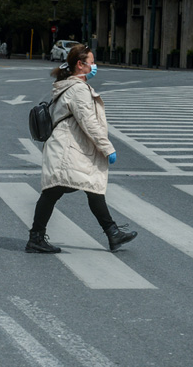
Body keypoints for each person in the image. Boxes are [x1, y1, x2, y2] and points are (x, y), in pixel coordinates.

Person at [26, 44, 138, 254]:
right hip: (67, 151)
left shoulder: (70, 86)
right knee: (55, 192)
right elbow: (88, 122)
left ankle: (112, 233)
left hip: (71, 149)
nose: (94, 66)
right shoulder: (77, 89)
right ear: (80, 64)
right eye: (92, 62)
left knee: (92, 189)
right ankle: (36, 237)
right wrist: (107, 148)